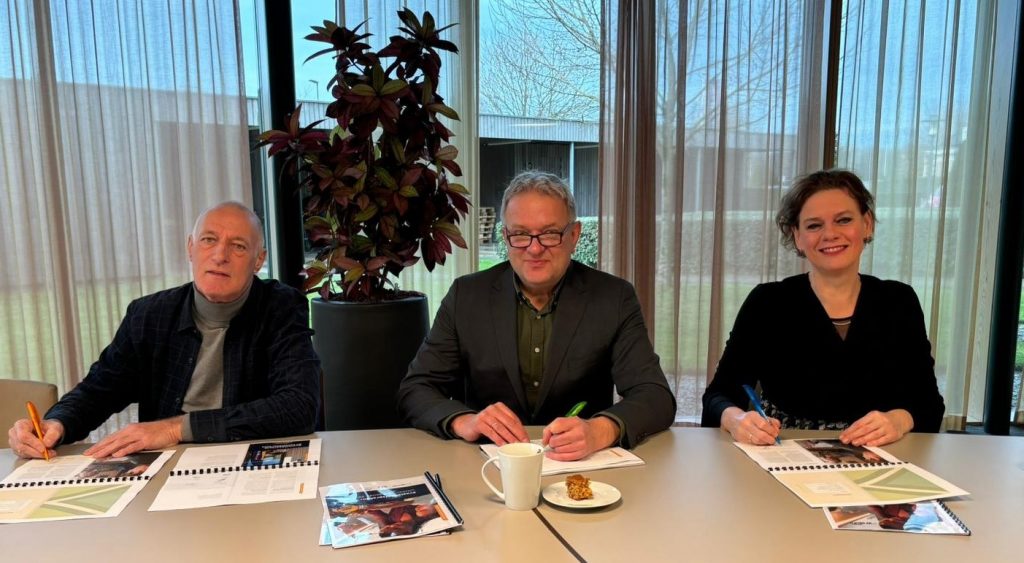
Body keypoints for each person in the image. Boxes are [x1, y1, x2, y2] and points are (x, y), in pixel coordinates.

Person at [397, 171, 676, 461]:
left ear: (574, 235)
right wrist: (465, 421)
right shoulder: (466, 296)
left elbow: (655, 396)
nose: (534, 248)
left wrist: (600, 430)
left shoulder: (614, 297)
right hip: (486, 465)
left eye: (550, 233)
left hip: (582, 469)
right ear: (506, 236)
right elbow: (416, 389)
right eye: (520, 234)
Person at [7, 202, 320, 459]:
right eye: (209, 240)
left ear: (258, 260)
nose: (220, 255)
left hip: (251, 460)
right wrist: (56, 423)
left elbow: (298, 405)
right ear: (190, 248)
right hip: (165, 468)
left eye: (238, 246)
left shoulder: (280, 307)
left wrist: (173, 429)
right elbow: (100, 390)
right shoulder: (150, 314)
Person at [701, 169, 944, 446]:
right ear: (797, 236)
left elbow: (929, 403)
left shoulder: (899, 301)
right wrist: (737, 420)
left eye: (843, 220)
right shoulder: (767, 302)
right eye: (814, 225)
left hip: (882, 458)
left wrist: (899, 420)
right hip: (784, 458)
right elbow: (718, 396)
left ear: (867, 225)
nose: (830, 234)